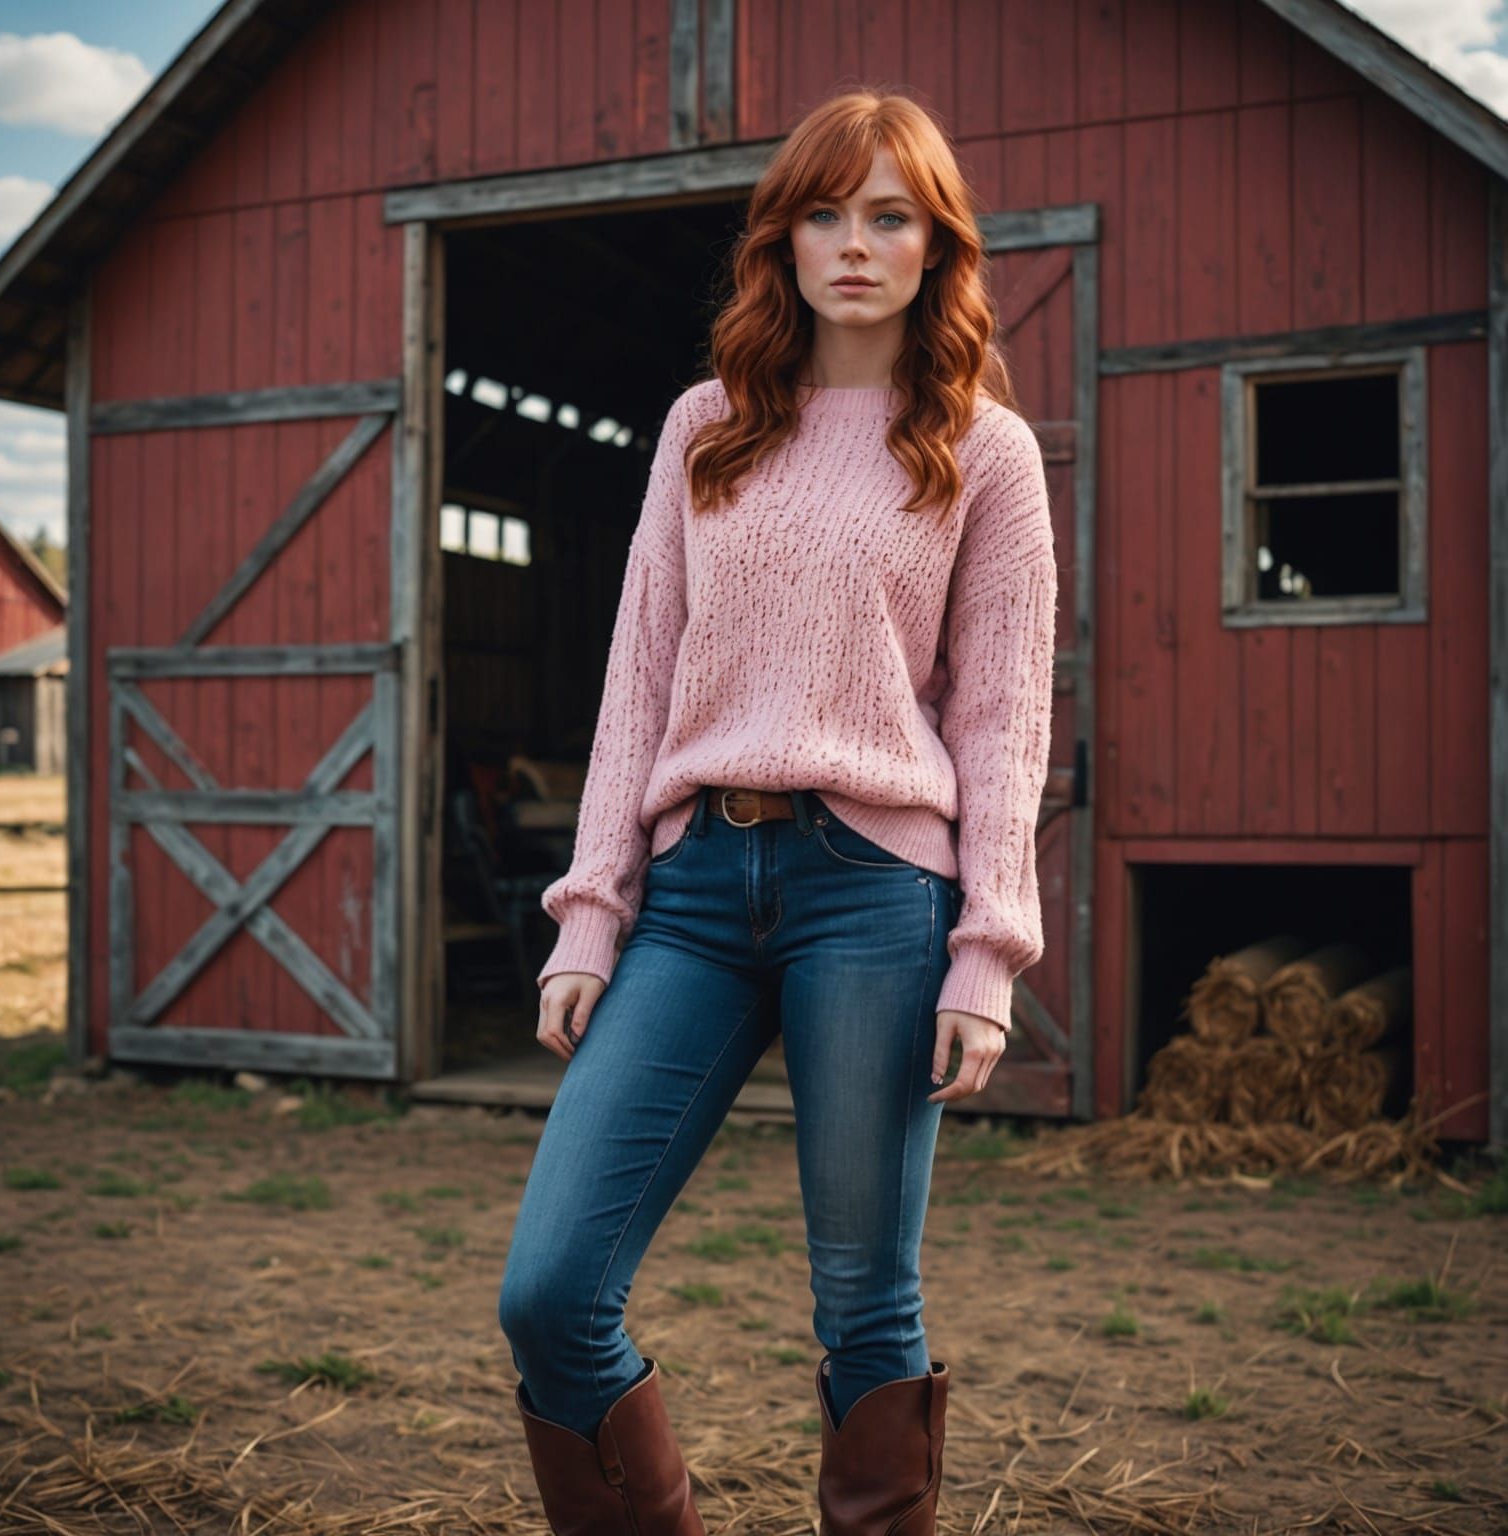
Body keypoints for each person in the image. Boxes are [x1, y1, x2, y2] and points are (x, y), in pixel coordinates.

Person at [497, 84, 1057, 1535]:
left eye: (889, 216)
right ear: (784, 240)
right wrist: (588, 914)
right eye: (824, 213)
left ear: (937, 246)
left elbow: (1000, 719)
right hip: (690, 895)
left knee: (867, 1305)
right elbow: (637, 684)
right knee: (551, 1290)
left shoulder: (985, 453)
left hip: (876, 895)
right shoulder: (708, 426)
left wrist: (987, 951)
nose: (854, 243)